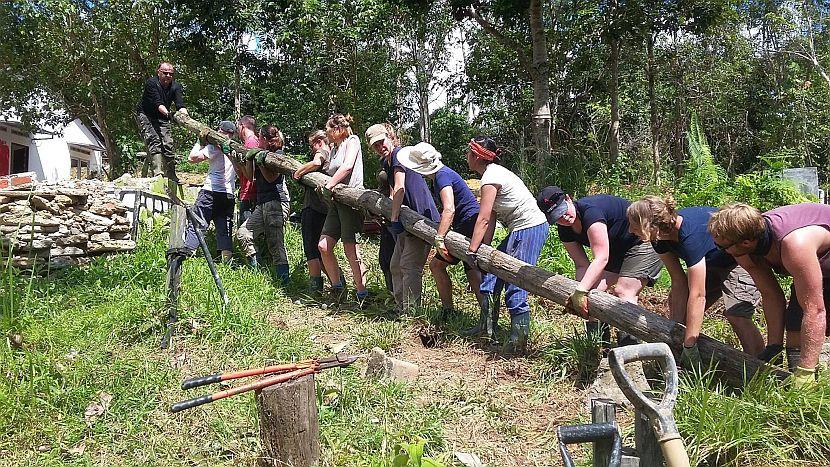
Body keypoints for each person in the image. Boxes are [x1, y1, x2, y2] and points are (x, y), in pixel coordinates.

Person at [626, 196, 764, 367]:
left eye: (634, 224)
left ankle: (760, 369)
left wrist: (689, 346)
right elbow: (678, 281)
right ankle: (680, 361)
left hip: (738, 260)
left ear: (650, 224)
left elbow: (698, 295)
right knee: (682, 311)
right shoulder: (659, 239)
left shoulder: (689, 235)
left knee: (737, 314)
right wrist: (675, 331)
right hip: (711, 263)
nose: (631, 230)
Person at [708, 202, 830, 387]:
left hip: (819, 261)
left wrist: (806, 371)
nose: (722, 251)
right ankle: (799, 395)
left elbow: (815, 310)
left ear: (746, 242)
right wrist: (774, 347)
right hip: (817, 266)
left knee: (811, 319)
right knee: (795, 324)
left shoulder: (794, 245)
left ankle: (807, 382)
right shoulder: (744, 248)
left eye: (723, 247)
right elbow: (771, 294)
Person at [538, 187, 663, 346]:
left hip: (641, 241)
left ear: (569, 199)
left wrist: (580, 291)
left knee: (624, 291)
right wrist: (581, 294)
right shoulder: (565, 230)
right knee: (592, 293)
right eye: (557, 217)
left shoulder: (591, 213)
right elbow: (581, 265)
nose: (564, 218)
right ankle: (599, 347)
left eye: (564, 210)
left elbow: (601, 258)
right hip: (616, 250)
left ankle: (629, 350)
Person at [465, 136, 549, 354]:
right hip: (518, 229)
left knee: (516, 285)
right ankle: (487, 329)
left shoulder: (490, 178)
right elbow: (490, 218)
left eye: (468, 153)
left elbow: (482, 218)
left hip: (530, 228)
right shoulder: (491, 175)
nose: (466, 156)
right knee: (491, 280)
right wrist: (485, 249)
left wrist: (472, 252)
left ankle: (517, 343)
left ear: (476, 156)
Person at [396, 141, 483, 318]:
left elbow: (449, 208)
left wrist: (440, 238)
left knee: (469, 269)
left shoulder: (442, 176)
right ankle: (451, 310)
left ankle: (484, 315)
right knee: (445, 267)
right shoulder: (440, 175)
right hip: (464, 224)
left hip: (468, 224)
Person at [366, 126, 440, 314]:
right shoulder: (388, 162)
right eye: (375, 145)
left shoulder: (399, 155)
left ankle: (412, 312)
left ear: (390, 137)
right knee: (395, 265)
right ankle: (401, 307)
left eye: (382, 141)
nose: (380, 146)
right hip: (407, 219)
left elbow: (400, 188)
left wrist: (394, 217)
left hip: (421, 219)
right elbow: (393, 192)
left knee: (409, 266)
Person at [317, 114, 368, 302]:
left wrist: (329, 185)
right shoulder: (335, 148)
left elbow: (347, 167)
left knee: (350, 248)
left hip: (351, 199)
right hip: (336, 201)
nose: (327, 133)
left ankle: (362, 293)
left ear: (338, 129)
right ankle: (338, 288)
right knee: (323, 246)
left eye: (329, 130)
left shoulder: (352, 141)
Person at [236, 125, 290, 285]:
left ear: (265, 139)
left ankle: (284, 283)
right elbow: (249, 176)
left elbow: (272, 179)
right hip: (262, 203)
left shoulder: (278, 155)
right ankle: (257, 272)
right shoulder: (260, 153)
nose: (257, 140)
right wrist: (236, 159)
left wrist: (260, 160)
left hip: (277, 202)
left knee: (275, 243)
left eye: (259, 137)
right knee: (243, 234)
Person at [182, 121, 236, 261]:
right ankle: (226, 263)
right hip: (228, 194)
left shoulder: (214, 147)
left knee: (198, 223)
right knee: (225, 228)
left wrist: (200, 142)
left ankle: (188, 255)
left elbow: (192, 158)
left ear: (221, 131)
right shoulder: (235, 150)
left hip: (210, 192)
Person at [293, 130, 332, 294]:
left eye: (312, 145)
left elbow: (316, 162)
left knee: (311, 249)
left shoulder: (322, 151)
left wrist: (299, 172)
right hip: (324, 208)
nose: (312, 149)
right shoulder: (333, 155)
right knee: (321, 250)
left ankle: (315, 290)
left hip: (314, 207)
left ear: (318, 141)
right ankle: (338, 284)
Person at [135, 62, 186, 182]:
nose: (168, 76)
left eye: (171, 74)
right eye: (165, 73)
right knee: (154, 141)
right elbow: (158, 103)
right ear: (158, 72)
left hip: (162, 116)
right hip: (147, 115)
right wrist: (169, 115)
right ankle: (158, 173)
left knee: (168, 144)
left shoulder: (175, 86)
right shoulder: (152, 83)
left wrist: (185, 117)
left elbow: (180, 104)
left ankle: (172, 175)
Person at [236, 117, 258, 248]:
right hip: (246, 193)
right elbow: (242, 175)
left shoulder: (251, 143)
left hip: (250, 195)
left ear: (243, 126)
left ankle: (255, 266)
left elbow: (252, 176)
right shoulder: (248, 143)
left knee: (247, 234)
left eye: (238, 127)